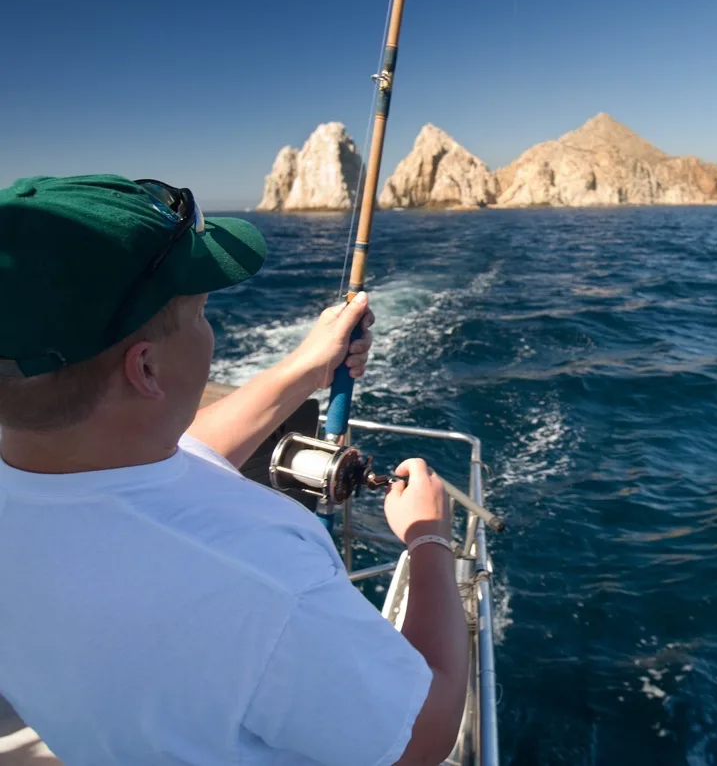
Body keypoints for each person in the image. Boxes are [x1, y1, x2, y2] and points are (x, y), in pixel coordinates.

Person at [0, 175, 468, 765]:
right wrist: (429, 540)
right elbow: (422, 737)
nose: (209, 329)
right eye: (199, 312)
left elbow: (169, 460)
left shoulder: (45, 470)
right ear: (144, 370)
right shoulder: (264, 587)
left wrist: (305, 365)